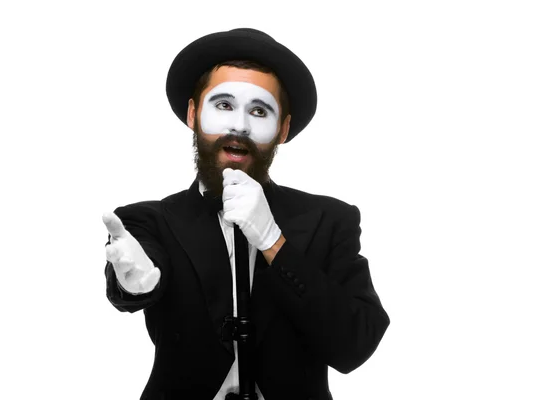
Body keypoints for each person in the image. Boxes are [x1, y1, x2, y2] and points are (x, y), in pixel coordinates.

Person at [103, 28, 390, 400]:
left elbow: (355, 344)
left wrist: (273, 241)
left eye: (259, 110)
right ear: (193, 114)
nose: (239, 125)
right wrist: (134, 284)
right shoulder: (148, 220)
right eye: (223, 105)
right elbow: (136, 274)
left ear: (283, 128)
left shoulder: (331, 220)